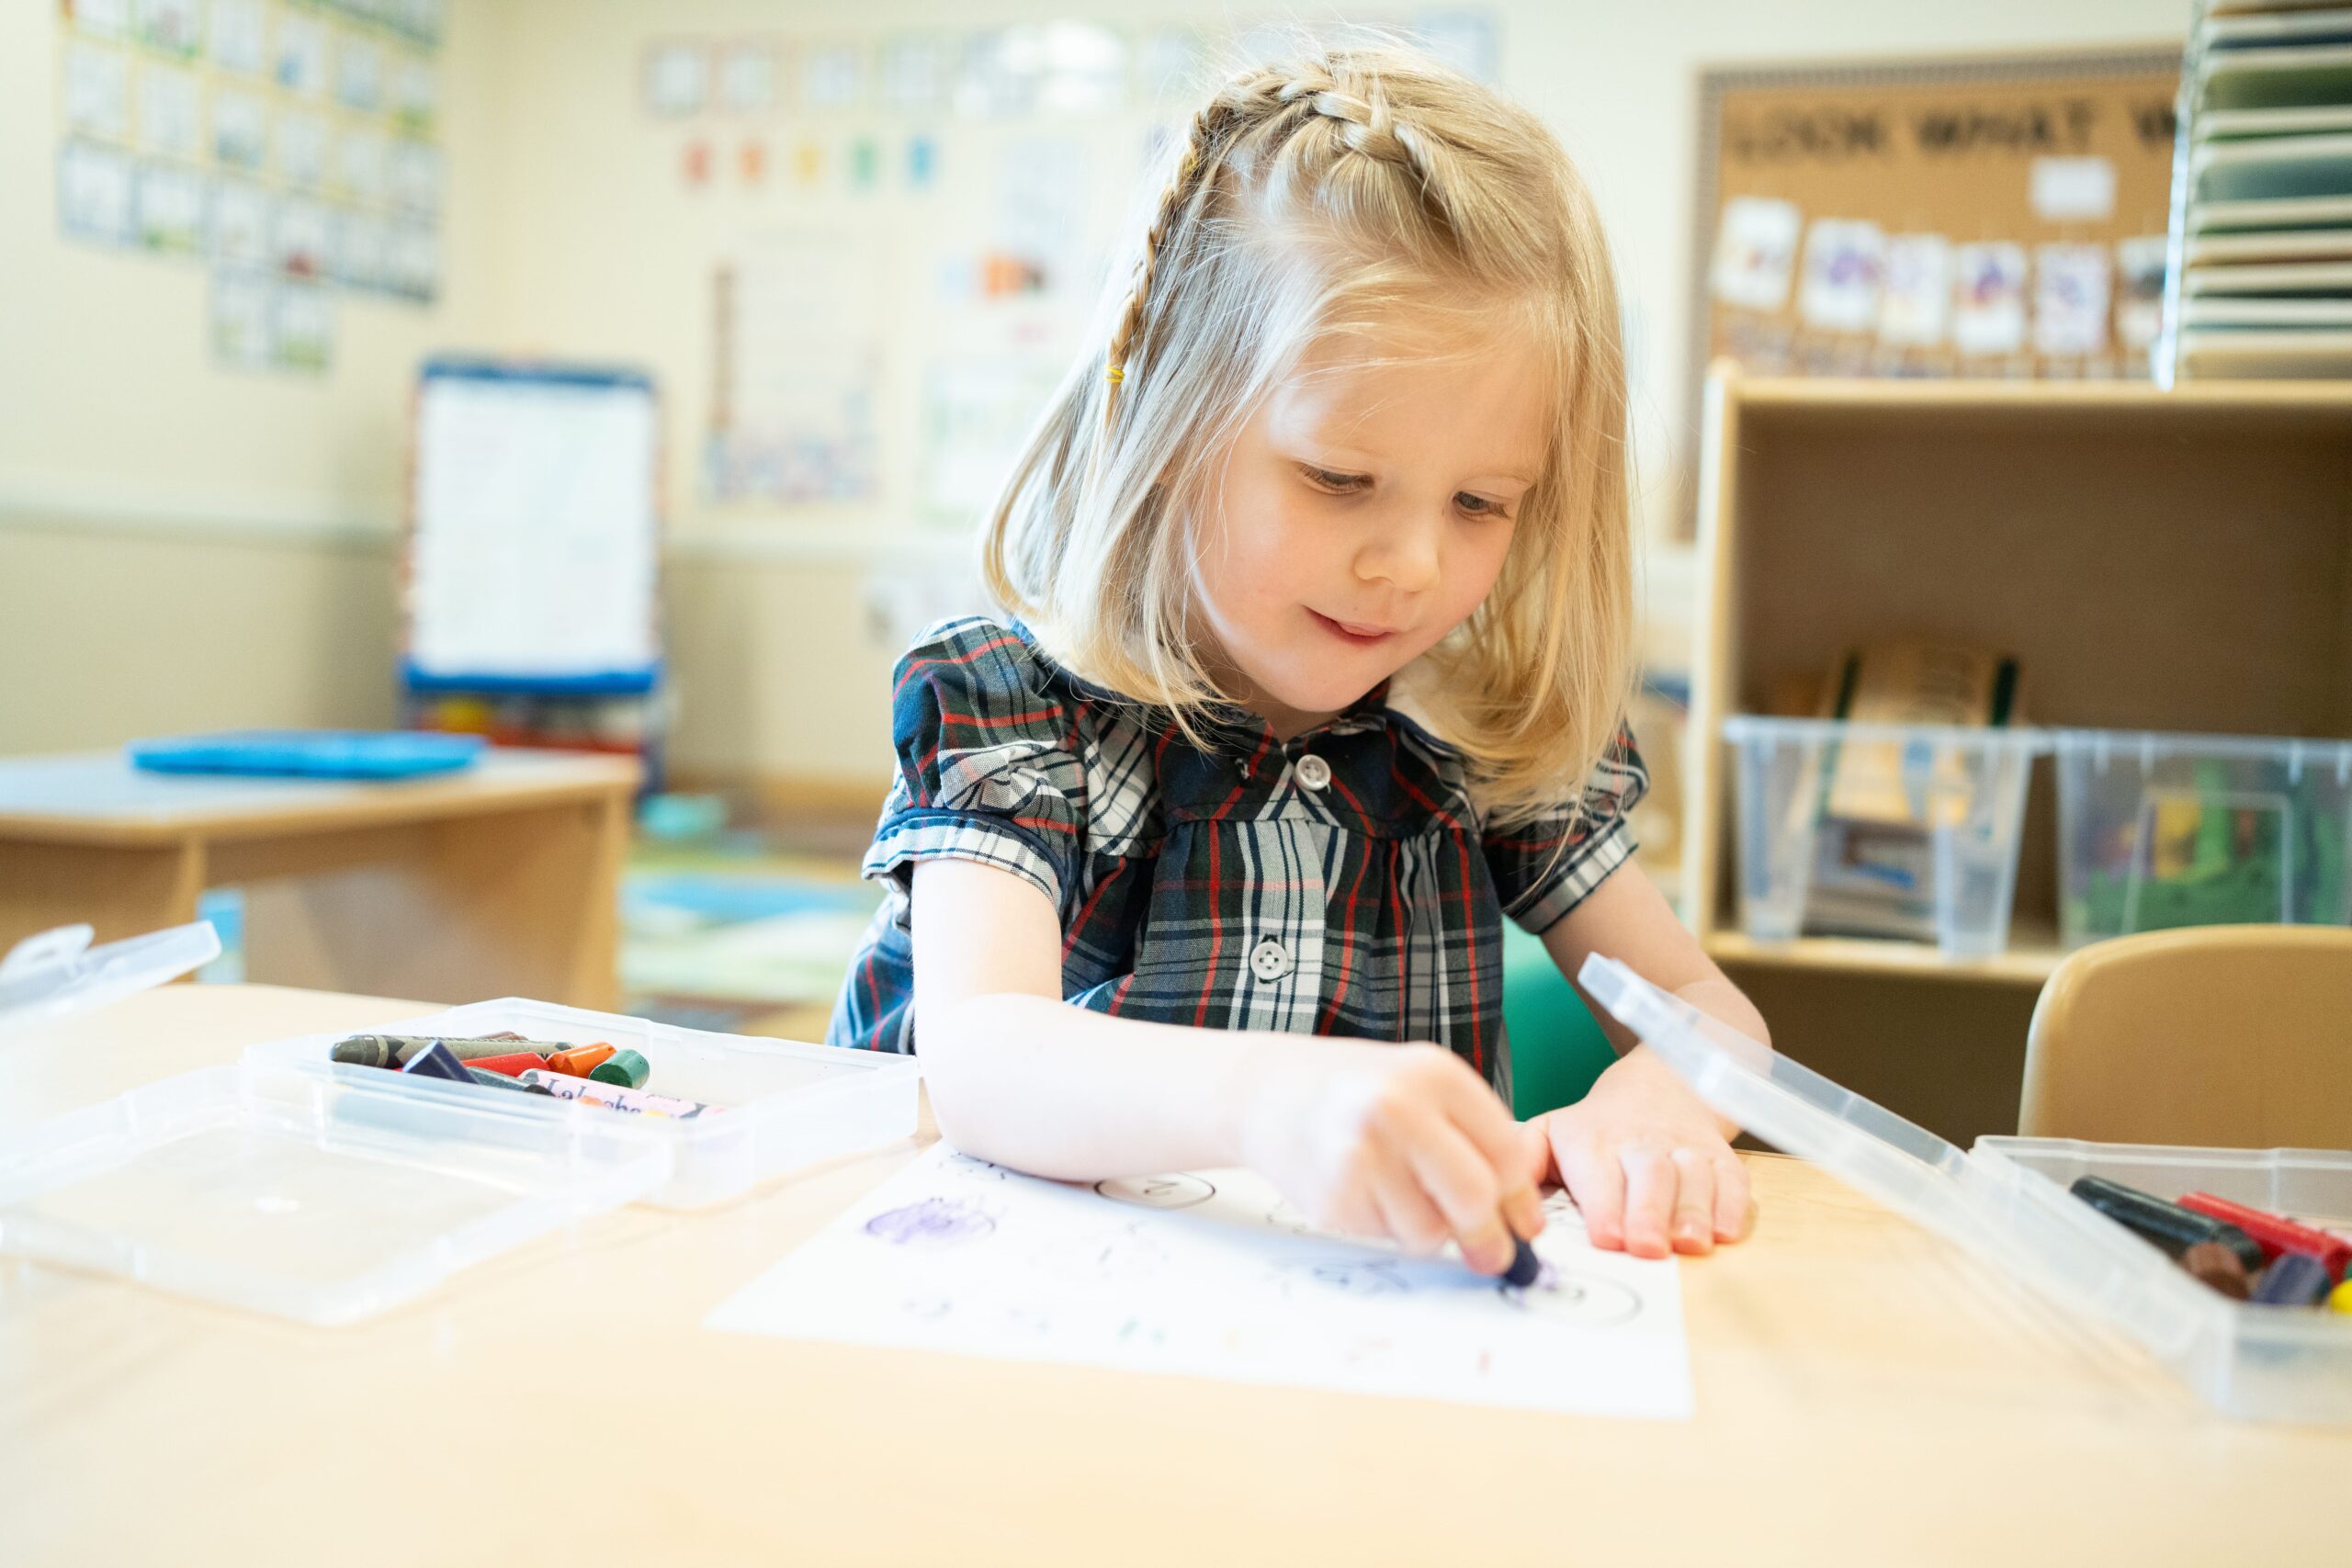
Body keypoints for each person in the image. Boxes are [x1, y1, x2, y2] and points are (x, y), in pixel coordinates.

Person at [831, 42, 1769, 1273]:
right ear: (1163, 412)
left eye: (1483, 503)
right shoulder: (1018, 709)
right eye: (1339, 480)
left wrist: (1657, 1101)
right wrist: (1271, 1099)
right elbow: (983, 1057)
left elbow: (1711, 1015)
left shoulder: (1472, 730)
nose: (1416, 566)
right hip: (995, 1335)